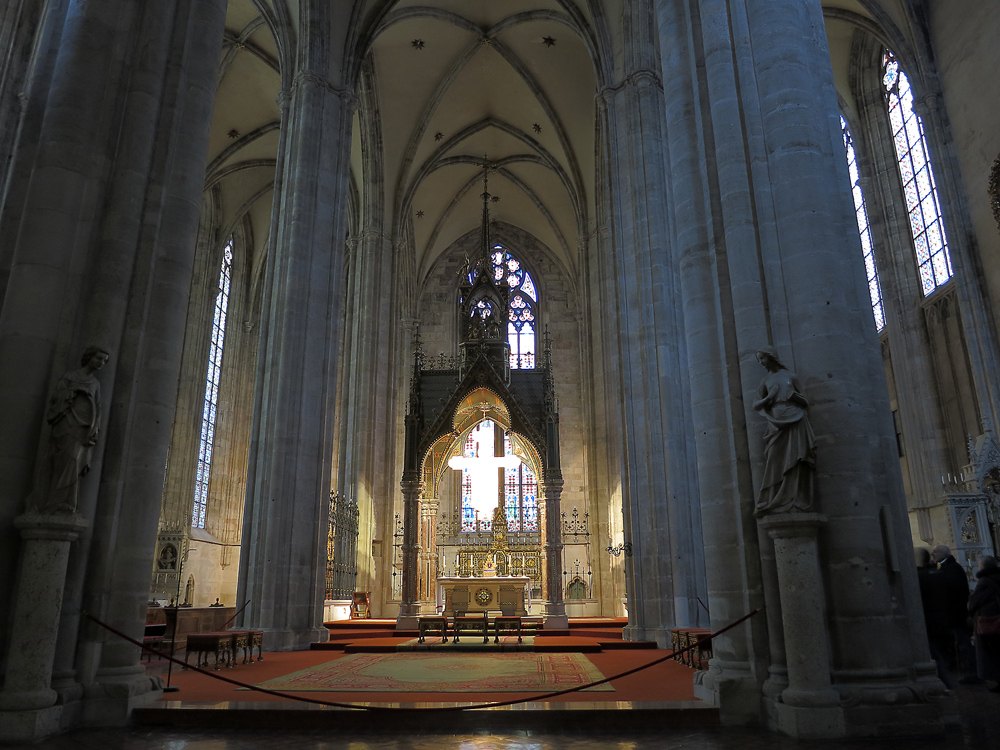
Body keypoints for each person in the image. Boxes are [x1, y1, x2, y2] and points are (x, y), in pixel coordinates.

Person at [28, 346, 110, 514]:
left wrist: (94, 428)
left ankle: (65, 503)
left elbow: (98, 408)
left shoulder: (95, 383)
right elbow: (56, 398)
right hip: (66, 423)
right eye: (99, 358)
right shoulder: (70, 376)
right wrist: (75, 391)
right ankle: (48, 503)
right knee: (60, 461)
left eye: (104, 361)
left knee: (74, 460)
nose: (101, 363)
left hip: (83, 428)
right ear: (89, 357)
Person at [752, 347, 816, 517]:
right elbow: (756, 404)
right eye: (759, 360)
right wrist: (768, 398)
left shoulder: (790, 376)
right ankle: (773, 498)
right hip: (776, 422)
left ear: (771, 357)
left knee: (796, 458)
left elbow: (805, 401)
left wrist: (794, 397)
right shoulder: (766, 380)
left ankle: (795, 499)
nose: (761, 363)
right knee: (775, 458)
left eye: (762, 358)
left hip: (795, 419)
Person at [932, 544, 977, 683]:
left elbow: (954, 593)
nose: (933, 554)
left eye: (935, 552)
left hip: (955, 615)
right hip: (954, 615)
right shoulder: (951, 568)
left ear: (944, 554)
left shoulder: (951, 569)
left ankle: (972, 673)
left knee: (963, 644)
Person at [916, 548, 954, 688]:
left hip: (929, 623)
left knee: (935, 656)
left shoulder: (919, 577)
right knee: (941, 655)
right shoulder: (940, 574)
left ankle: (944, 685)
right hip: (944, 621)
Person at [969, 555, 1000, 691]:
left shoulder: (985, 581)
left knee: (993, 654)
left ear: (981, 566)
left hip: (990, 621)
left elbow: (975, 602)